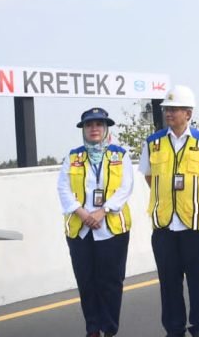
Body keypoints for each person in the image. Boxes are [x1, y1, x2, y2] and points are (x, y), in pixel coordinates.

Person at [140, 84, 199, 337]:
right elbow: (149, 176)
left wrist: (190, 201)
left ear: (188, 113)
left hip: (194, 225)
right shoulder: (153, 143)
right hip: (164, 226)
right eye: (167, 109)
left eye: (175, 109)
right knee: (169, 284)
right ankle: (174, 330)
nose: (169, 113)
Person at [56, 107, 133, 337]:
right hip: (81, 230)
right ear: (84, 130)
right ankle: (92, 329)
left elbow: (125, 187)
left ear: (106, 128)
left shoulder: (120, 155)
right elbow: (63, 189)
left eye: (99, 124)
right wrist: (82, 213)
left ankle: (109, 329)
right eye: (89, 125)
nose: (94, 129)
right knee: (87, 282)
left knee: (111, 282)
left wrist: (103, 211)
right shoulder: (73, 157)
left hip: (111, 228)